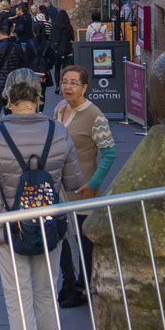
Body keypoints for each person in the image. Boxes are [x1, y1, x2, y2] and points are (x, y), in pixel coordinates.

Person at [0, 71, 85, 330]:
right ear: (39, 97)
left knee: (17, 298)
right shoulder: (58, 131)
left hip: (10, 226)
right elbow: (73, 180)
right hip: (49, 222)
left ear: (8, 98)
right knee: (47, 293)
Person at [53, 66, 116, 307]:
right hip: (60, 186)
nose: (67, 87)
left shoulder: (95, 115)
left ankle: (87, 285)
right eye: (64, 81)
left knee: (84, 240)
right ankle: (70, 283)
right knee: (61, 237)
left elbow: (109, 152)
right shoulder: (59, 109)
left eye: (73, 83)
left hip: (84, 189)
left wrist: (94, 183)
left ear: (85, 87)